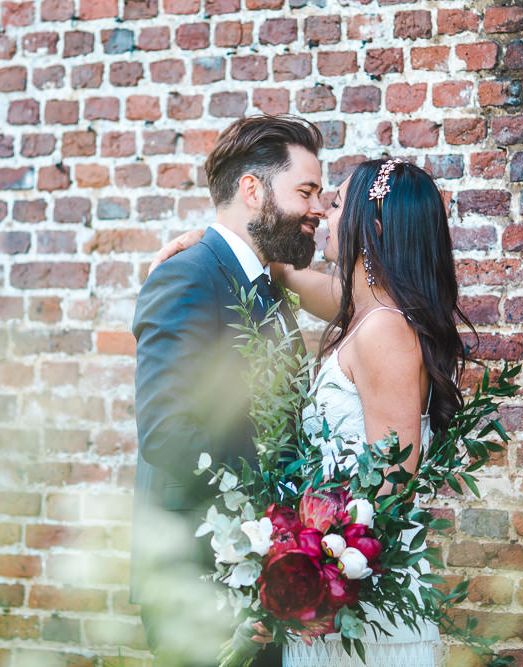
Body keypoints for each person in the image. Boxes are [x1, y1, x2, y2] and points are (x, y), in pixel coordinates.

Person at [153, 157, 472, 667]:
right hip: (338, 584)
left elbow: (391, 482)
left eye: (338, 201)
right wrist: (213, 241)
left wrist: (312, 577)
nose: (323, 211)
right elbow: (291, 275)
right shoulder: (371, 313)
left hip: (359, 602)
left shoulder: (386, 331)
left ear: (375, 228)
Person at [131, 114, 325, 667]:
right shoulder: (189, 275)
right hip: (198, 581)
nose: (317, 208)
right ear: (252, 190)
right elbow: (168, 433)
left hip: (257, 583)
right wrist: (262, 528)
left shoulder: (266, 283)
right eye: (306, 191)